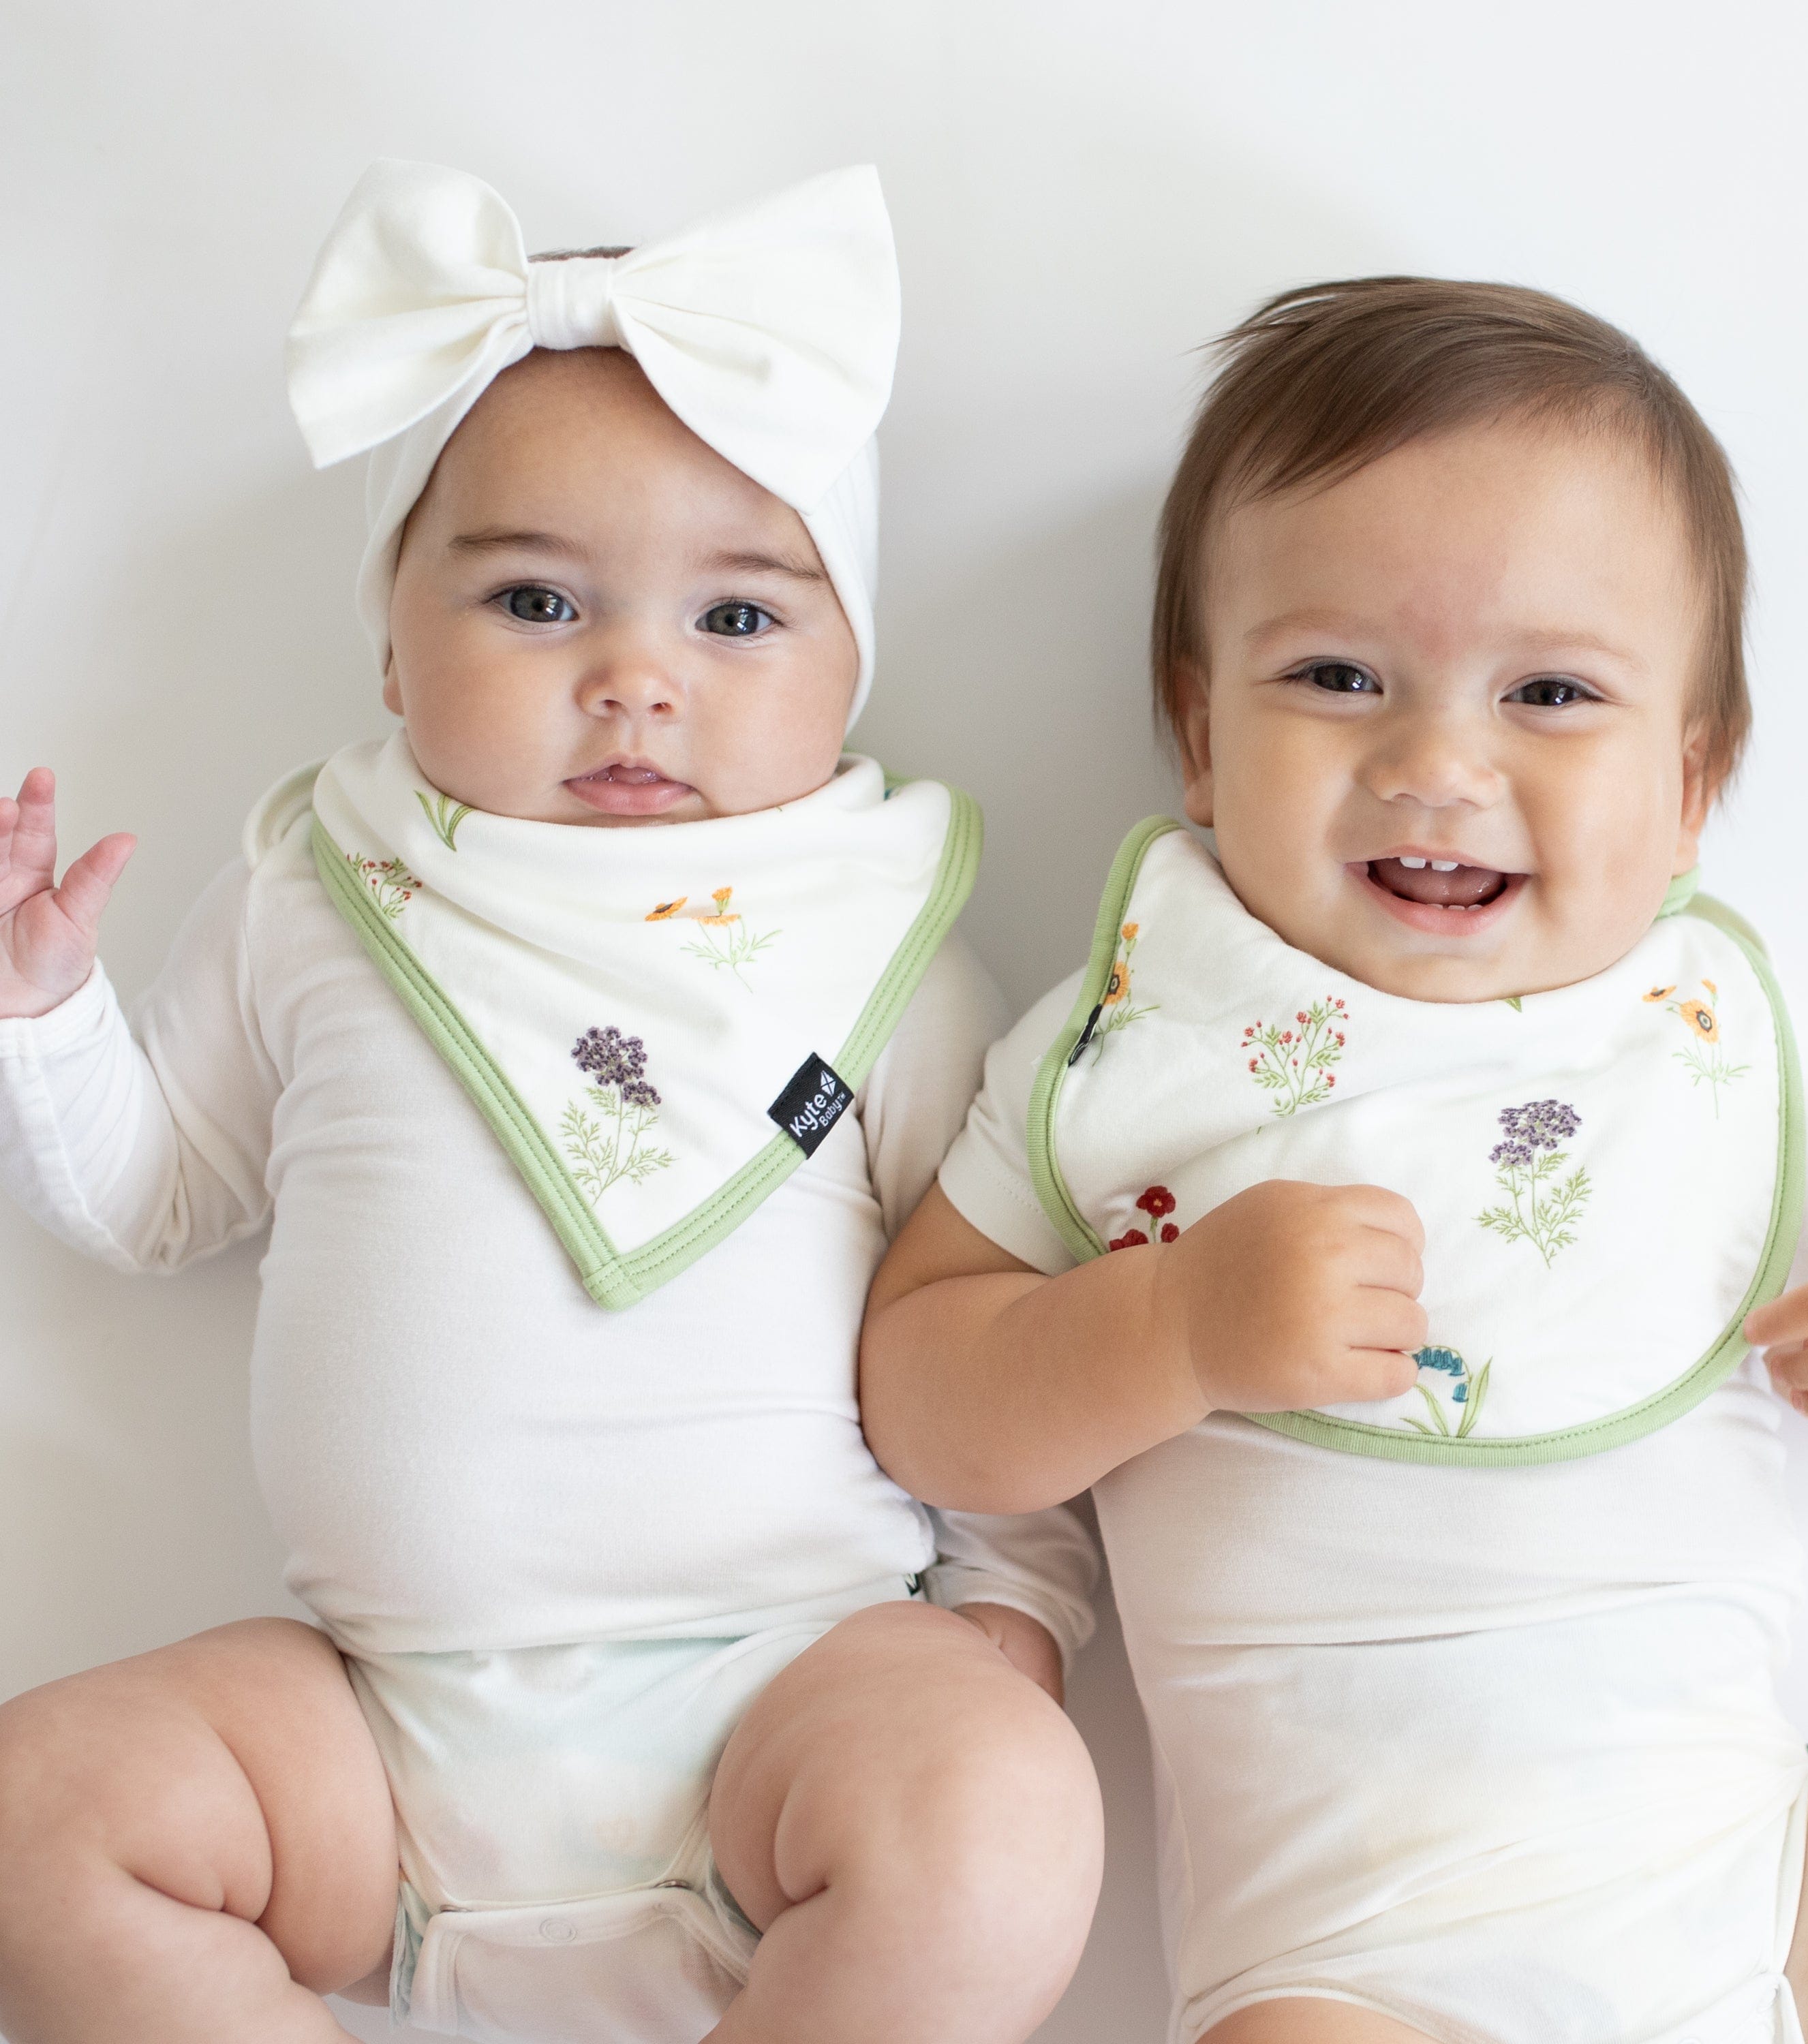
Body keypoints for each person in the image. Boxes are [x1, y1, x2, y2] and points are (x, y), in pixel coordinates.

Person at [860, 277, 1808, 2044]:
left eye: (1550, 692)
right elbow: (919, 1394)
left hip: (1765, 1868)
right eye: (1338, 677)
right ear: (1202, 735)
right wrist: (1172, 1328)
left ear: (1691, 782)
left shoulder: (1695, 1035)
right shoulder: (1142, 1040)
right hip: (1358, 1957)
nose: (1434, 764)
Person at [0, 161, 1099, 2044]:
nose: (633, 682)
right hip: (377, 1741)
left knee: (1001, 1819)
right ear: (387, 640)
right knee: (38, 1817)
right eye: (533, 600)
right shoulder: (321, 891)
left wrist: (1018, 1611)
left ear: (854, 661)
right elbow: (158, 1195)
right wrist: (44, 1014)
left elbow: (987, 1306)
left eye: (736, 620)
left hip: (791, 1701)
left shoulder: (883, 951)